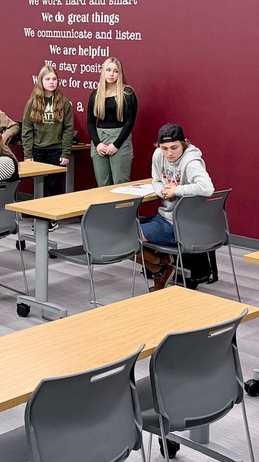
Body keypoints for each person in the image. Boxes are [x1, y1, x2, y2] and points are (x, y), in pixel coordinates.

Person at [138, 124, 214, 291]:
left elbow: (207, 188)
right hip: (165, 216)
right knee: (120, 231)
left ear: (184, 143)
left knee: (124, 237)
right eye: (164, 148)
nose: (169, 153)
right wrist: (163, 191)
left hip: (181, 224)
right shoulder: (158, 155)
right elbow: (156, 180)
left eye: (174, 147)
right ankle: (162, 266)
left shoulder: (191, 161)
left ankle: (161, 267)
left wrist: (176, 190)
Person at [21, 65, 74, 210]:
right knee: (39, 184)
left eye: (54, 79)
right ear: (40, 81)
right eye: (48, 79)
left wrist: (65, 152)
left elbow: (68, 129)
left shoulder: (64, 103)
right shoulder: (32, 103)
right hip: (38, 150)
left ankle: (55, 213)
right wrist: (28, 154)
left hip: (56, 150)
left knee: (54, 183)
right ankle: (41, 216)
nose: (51, 82)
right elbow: (27, 130)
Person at [87, 57, 137, 187]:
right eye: (108, 70)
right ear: (103, 71)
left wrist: (116, 145)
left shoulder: (128, 93)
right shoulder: (95, 94)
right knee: (102, 184)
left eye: (115, 71)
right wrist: (97, 144)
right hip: (100, 140)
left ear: (120, 74)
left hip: (120, 139)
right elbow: (91, 122)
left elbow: (130, 122)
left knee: (120, 183)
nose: (111, 74)